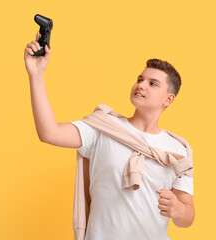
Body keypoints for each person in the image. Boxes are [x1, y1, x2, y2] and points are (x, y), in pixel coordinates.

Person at [24, 31, 195, 240]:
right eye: (140, 79)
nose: (140, 85)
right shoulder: (102, 128)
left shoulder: (177, 150)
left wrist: (178, 210)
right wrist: (36, 75)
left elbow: (188, 215)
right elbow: (49, 132)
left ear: (168, 99)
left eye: (152, 83)